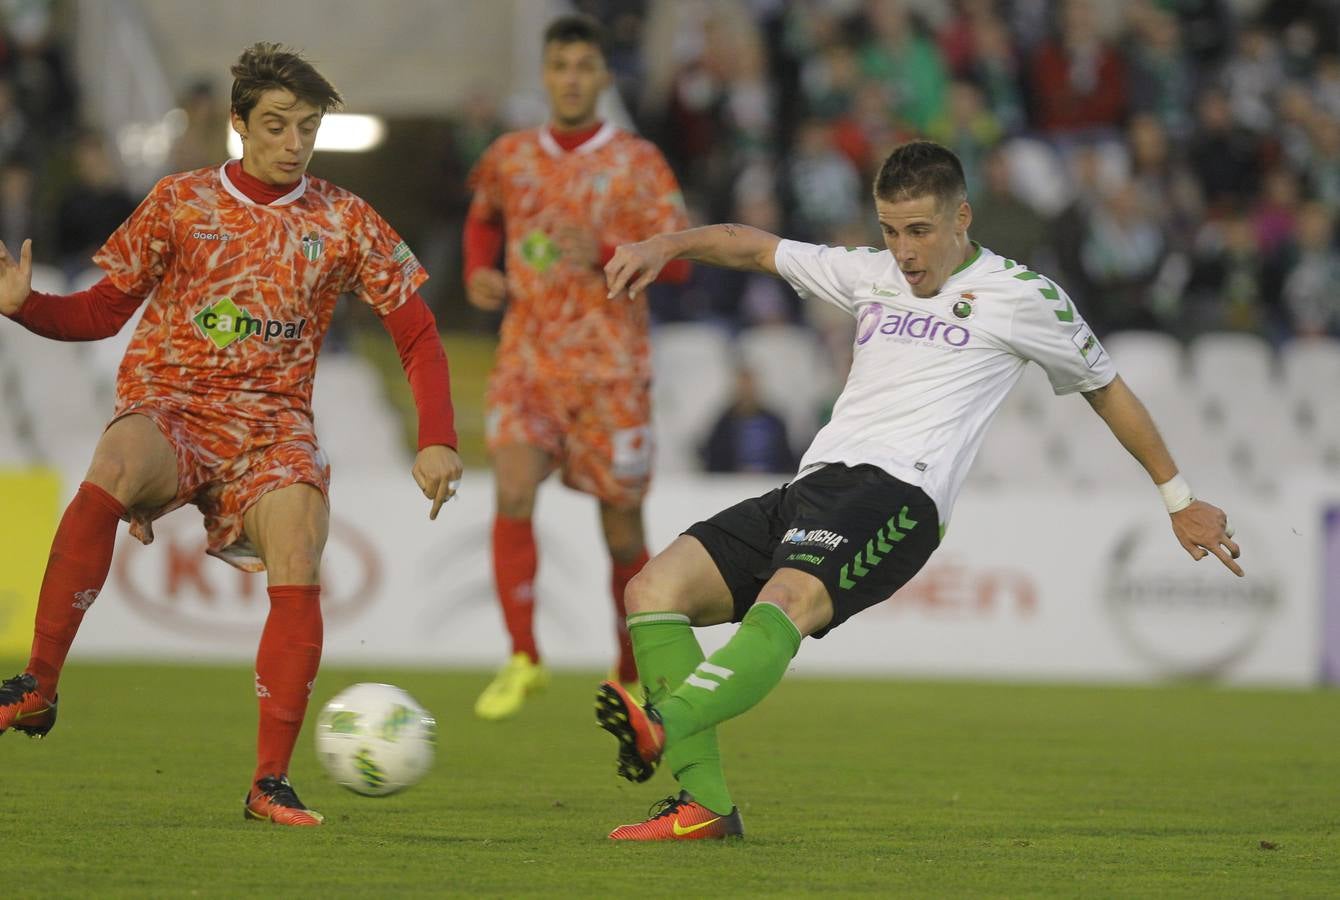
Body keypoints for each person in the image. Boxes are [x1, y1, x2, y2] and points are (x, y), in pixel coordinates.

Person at [593, 140, 1243, 841]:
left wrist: (1178, 497)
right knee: (653, 592)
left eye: (920, 231)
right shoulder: (871, 274)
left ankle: (665, 724)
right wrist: (667, 243)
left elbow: (1106, 390)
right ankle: (706, 808)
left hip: (899, 498)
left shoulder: (1025, 298)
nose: (903, 251)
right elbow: (753, 247)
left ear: (962, 217)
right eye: (890, 230)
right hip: (813, 484)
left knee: (788, 601)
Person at [0, 43, 463, 827]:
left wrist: (439, 436)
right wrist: (27, 307)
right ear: (241, 125)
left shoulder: (345, 220)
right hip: (171, 404)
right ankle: (38, 683)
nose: (293, 142)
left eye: (306, 128)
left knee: (300, 537)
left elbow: (416, 334)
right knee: (114, 461)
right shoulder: (180, 201)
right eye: (276, 125)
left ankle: (269, 784)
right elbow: (105, 311)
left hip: (272, 428)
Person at [462, 15, 689, 720]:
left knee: (622, 534)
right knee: (512, 489)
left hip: (612, 374)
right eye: (560, 66)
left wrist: (604, 248)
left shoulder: (639, 162)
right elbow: (483, 217)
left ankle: (627, 673)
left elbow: (679, 265)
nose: (571, 78)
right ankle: (523, 655)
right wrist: (477, 272)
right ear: (545, 73)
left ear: (603, 77)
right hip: (527, 362)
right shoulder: (510, 155)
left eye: (584, 66)